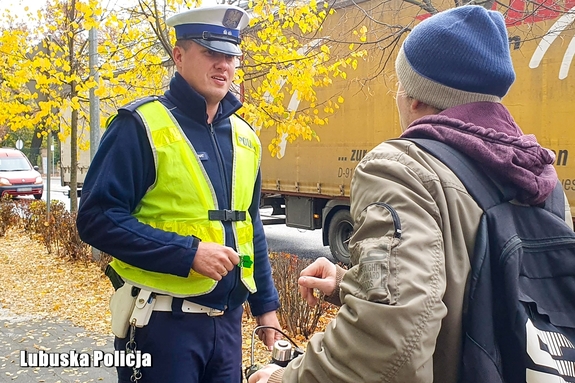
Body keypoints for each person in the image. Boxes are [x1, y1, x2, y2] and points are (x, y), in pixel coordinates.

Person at [248, 5, 572, 383]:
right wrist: (350, 283)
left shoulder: (401, 168)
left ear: (416, 97)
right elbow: (486, 292)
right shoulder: (540, 177)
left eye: (400, 84)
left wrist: (283, 379)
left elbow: (390, 340)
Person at [76, 5, 282, 383]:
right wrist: (188, 254)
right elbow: (96, 218)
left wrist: (265, 304)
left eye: (231, 56)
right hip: (160, 326)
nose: (224, 65)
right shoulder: (140, 125)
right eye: (211, 53)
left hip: (227, 326)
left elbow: (250, 226)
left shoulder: (245, 137)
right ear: (179, 55)